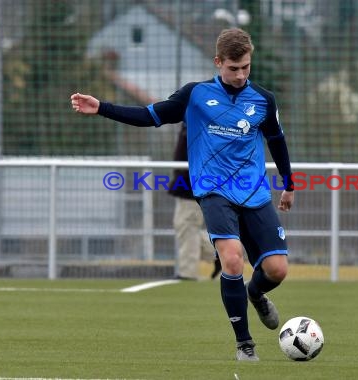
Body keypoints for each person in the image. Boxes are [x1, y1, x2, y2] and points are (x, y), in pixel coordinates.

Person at [71, 28, 295, 362]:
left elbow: (276, 140)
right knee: (232, 258)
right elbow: (150, 115)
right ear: (218, 62)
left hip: (255, 191)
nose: (240, 74)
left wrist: (288, 183)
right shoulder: (196, 95)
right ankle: (245, 345)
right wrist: (102, 107)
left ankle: (256, 294)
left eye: (246, 67)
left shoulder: (263, 99)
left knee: (277, 269)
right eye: (233, 68)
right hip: (213, 191)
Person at [168, 123, 221, 280]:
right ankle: (221, 253)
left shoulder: (200, 123)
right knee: (186, 227)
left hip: (193, 185)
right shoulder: (193, 122)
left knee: (187, 226)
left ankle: (187, 273)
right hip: (188, 184)